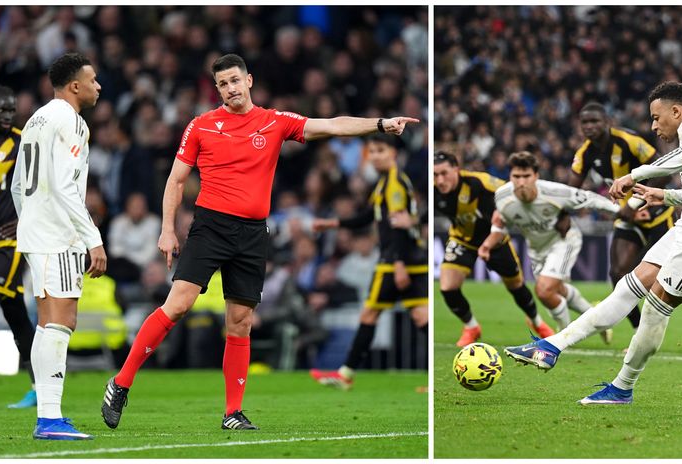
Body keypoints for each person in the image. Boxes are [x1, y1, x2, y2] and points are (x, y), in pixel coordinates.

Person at [100, 54, 418, 430]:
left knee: (241, 321)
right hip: (211, 227)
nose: (230, 88)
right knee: (179, 304)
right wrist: (168, 229)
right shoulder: (201, 125)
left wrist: (380, 124)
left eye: (235, 80)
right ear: (217, 89)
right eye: (223, 84)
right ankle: (121, 383)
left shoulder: (274, 121)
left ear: (248, 80)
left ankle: (232, 412)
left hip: (252, 233)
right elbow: (176, 180)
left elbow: (331, 125)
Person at [505, 82, 682, 405]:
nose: (653, 126)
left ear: (676, 112)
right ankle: (551, 347)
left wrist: (635, 175)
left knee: (655, 305)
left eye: (656, 118)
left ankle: (622, 387)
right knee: (627, 286)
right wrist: (664, 195)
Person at [570, 102, 682, 354]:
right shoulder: (585, 153)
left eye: (595, 121)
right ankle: (637, 336)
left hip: (656, 213)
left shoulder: (628, 141)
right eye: (585, 122)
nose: (590, 126)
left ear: (607, 122)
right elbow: (573, 190)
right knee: (618, 273)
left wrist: (634, 203)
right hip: (628, 218)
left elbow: (662, 171)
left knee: (674, 276)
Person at [10, 53, 107, 439]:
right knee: (62, 322)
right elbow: (66, 186)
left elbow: (18, 185)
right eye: (93, 80)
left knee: (47, 323)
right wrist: (93, 239)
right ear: (75, 86)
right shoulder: (72, 121)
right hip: (58, 234)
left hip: (37, 232)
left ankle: (48, 415)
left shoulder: (36, 118)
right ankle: (49, 419)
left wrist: (30, 221)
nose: (98, 86)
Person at [309, 134, 427, 390]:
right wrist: (334, 223)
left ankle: (346, 374)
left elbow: (398, 225)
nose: (374, 156)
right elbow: (367, 217)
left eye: (380, 150)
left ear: (393, 153)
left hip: (394, 261)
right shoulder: (388, 182)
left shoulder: (394, 183)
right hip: (412, 259)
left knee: (369, 313)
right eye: (371, 151)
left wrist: (398, 264)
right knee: (420, 316)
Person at [478, 151, 617, 343]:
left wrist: (623, 212)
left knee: (544, 290)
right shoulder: (502, 196)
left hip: (564, 241)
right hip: (537, 250)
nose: (521, 182)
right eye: (516, 176)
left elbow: (590, 198)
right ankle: (598, 319)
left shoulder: (554, 191)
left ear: (536, 176)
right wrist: (486, 245)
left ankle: (563, 338)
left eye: (526, 176)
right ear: (510, 176)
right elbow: (499, 224)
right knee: (557, 290)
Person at [433, 151, 553, 346]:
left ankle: (537, 322)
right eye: (435, 175)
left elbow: (511, 190)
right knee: (447, 287)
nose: (440, 180)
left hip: (495, 240)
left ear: (456, 169)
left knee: (516, 286)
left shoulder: (479, 183)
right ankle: (471, 327)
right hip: (462, 239)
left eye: (444, 173)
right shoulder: (433, 190)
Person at [0, 86, 38, 409]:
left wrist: (24, 218)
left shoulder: (22, 143)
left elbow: (41, 185)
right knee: (16, 317)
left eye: (12, 110)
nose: (8, 116)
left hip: (12, 243)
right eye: (2, 110)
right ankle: (40, 388)